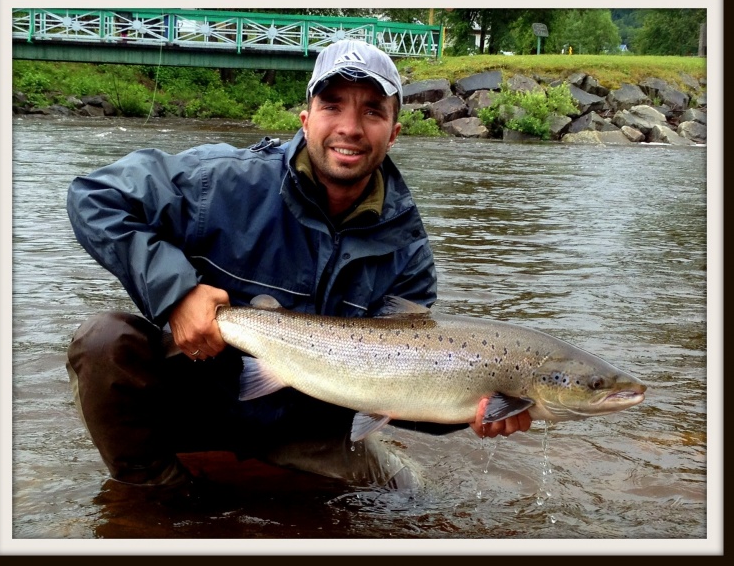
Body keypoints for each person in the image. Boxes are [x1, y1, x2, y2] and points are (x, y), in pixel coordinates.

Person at [65, 39, 531, 503]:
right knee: (105, 341)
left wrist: (476, 405)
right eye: (332, 106)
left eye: (372, 111)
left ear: (394, 133)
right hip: (197, 400)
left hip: (307, 425)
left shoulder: (406, 252)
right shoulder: (220, 181)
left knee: (412, 502)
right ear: (305, 119)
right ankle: (160, 502)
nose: (350, 127)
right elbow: (94, 197)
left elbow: (401, 389)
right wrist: (177, 294)